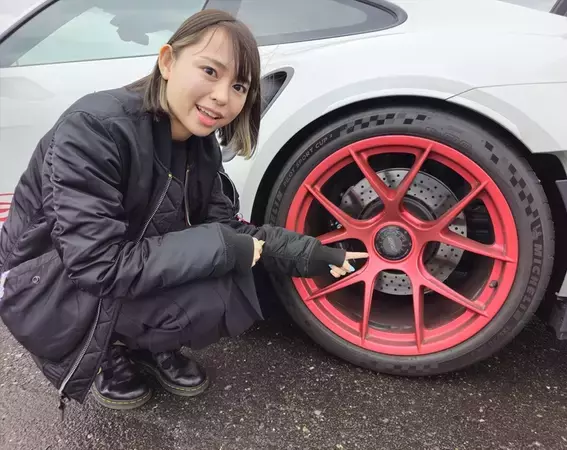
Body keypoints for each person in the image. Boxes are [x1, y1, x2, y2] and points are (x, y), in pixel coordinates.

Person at [0, 9, 367, 414]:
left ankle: (148, 344)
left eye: (239, 86)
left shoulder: (200, 145)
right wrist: (223, 246)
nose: (223, 96)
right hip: (48, 281)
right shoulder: (94, 128)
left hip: (119, 263)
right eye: (210, 71)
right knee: (221, 254)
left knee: (231, 280)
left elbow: (228, 228)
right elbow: (96, 266)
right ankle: (108, 348)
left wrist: (315, 254)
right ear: (168, 61)